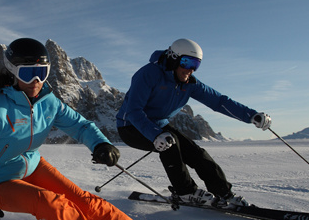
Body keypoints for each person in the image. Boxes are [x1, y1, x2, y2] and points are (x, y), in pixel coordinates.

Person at [0, 37, 171, 220]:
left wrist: (100, 143)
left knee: (84, 201)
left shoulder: (47, 101)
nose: (36, 81)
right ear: (12, 71)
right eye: (28, 73)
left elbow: (80, 125)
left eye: (42, 72)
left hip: (33, 165)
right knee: (51, 203)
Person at [116, 38, 272, 208]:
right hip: (130, 126)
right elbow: (133, 111)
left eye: (196, 65)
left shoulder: (189, 83)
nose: (190, 69)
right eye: (187, 62)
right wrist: (155, 135)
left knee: (196, 153)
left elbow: (219, 101)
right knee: (171, 145)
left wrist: (251, 115)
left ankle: (224, 193)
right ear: (174, 58)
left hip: (159, 125)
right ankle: (185, 192)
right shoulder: (149, 74)